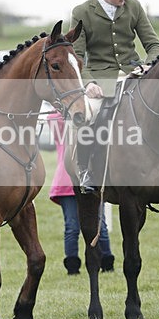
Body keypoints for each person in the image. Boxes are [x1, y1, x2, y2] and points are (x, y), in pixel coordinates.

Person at [69, 0, 159, 193]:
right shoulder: (81, 12)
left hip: (135, 74)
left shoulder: (134, 7)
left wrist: (146, 66)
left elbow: (154, 45)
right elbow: (76, 55)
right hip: (102, 79)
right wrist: (89, 82)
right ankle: (85, 169)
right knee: (88, 112)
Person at [48, 111, 114, 275]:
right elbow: (53, 118)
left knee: (100, 225)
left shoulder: (93, 122)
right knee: (72, 227)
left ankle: (106, 262)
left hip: (91, 180)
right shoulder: (61, 123)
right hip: (67, 183)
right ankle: (72, 266)